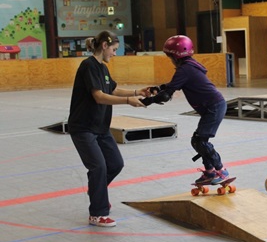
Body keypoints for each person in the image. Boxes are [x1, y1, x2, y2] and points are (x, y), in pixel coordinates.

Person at [68, 30, 149, 227]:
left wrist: (138, 91)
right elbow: (99, 96)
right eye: (113, 49)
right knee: (98, 166)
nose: (115, 53)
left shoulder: (103, 68)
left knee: (115, 164)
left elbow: (111, 89)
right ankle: (97, 213)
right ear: (104, 45)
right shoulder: (88, 66)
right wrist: (128, 101)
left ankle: (96, 191)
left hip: (100, 127)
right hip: (83, 127)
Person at [141, 35, 229, 184]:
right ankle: (209, 172)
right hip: (212, 107)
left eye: (170, 56)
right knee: (198, 141)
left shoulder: (185, 69)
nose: (170, 59)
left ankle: (221, 170)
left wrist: (147, 101)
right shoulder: (189, 65)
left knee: (200, 141)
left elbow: (165, 96)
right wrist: (159, 88)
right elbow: (172, 86)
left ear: (176, 55)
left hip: (214, 107)